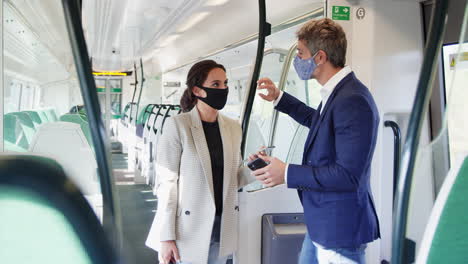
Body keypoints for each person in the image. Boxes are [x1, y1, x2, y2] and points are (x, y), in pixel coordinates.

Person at [251, 18, 381, 264]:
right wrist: (280, 98)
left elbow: (347, 175)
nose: (297, 61)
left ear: (320, 57)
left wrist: (286, 172)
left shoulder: (353, 100)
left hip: (340, 229)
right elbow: (319, 122)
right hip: (322, 222)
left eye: (300, 54)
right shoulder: (338, 93)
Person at [146, 60, 254, 264]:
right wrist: (166, 235)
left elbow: (233, 179)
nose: (223, 89)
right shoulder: (178, 126)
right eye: (216, 85)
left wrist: (255, 168)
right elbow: (167, 185)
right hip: (187, 228)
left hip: (222, 226)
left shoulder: (233, 128)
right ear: (197, 90)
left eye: (225, 83)